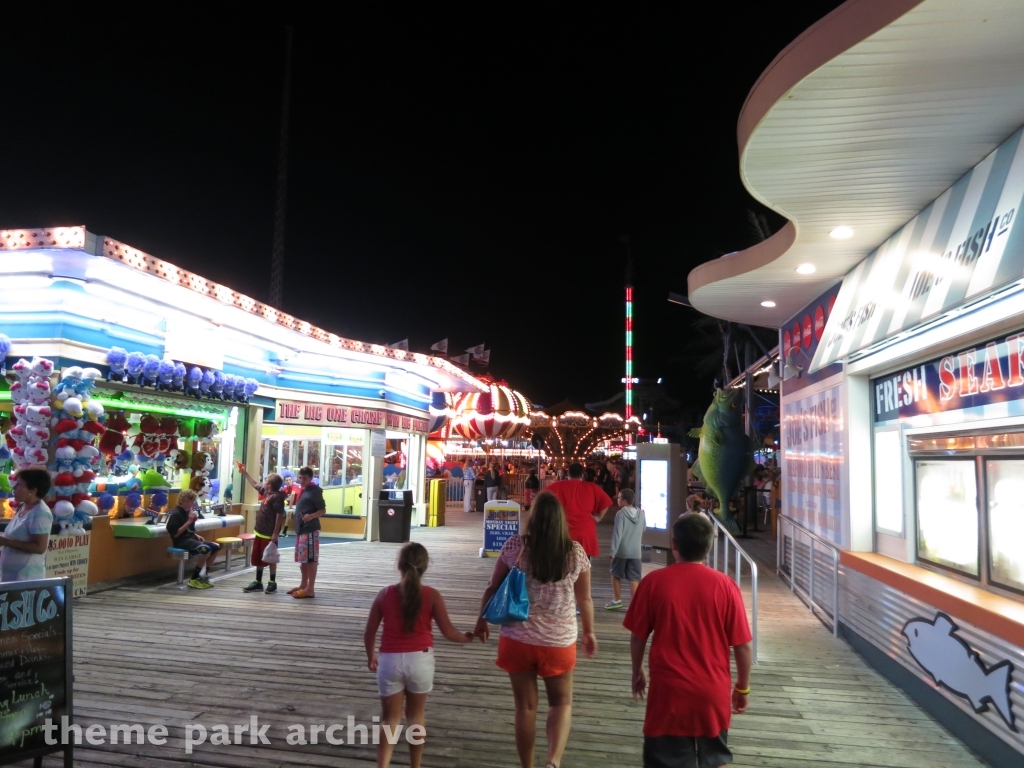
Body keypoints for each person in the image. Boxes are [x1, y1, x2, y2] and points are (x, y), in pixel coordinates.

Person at [474, 491, 596, 768]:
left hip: (517, 639)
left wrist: (481, 620)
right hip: (559, 642)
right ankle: (553, 761)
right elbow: (585, 599)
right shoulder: (575, 552)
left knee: (525, 708)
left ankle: (527, 765)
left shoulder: (516, 546)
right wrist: (589, 631)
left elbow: (493, 587)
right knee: (561, 703)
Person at [624, 512, 752, 768]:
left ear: (674, 544)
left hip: (668, 693)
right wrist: (742, 687)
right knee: (716, 759)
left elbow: (638, 637)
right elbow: (743, 645)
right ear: (708, 546)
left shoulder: (653, 583)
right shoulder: (726, 586)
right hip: (712, 691)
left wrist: (637, 671)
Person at [364, 543, 476, 768]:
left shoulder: (384, 594)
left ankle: (382, 765)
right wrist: (467, 638)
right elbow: (448, 632)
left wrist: (371, 656)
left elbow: (369, 632)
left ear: (399, 565)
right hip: (420, 661)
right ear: (425, 567)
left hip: (389, 661)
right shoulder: (432, 595)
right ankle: (416, 765)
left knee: (390, 720)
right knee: (416, 716)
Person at [544, 462, 616, 558]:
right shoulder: (592, 487)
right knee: (584, 565)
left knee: (562, 564)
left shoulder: (555, 487)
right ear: (582, 474)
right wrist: (598, 518)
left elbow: (540, 501)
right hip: (585, 533)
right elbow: (606, 502)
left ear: (568, 473)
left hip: (562, 531)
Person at [237, 464, 286, 593]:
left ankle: (272, 582)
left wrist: (275, 533)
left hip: (269, 534)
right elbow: (254, 484)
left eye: (266, 481)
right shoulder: (266, 492)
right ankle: (258, 582)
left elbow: (279, 515)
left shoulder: (276, 497)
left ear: (269, 484)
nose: (263, 483)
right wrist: (245, 472)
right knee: (259, 556)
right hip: (259, 531)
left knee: (271, 557)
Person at [0, 469, 53, 583]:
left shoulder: (40, 513)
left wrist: (5, 541)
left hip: (26, 577)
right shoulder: (23, 507)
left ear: (32, 490)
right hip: (12, 575)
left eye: (19, 485)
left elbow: (39, 547)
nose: (14, 488)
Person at [166, 488, 221, 589]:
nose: (190, 503)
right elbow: (175, 534)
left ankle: (203, 575)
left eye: (191, 501)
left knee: (216, 547)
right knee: (206, 549)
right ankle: (194, 578)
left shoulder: (189, 512)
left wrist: (196, 535)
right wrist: (189, 522)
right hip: (181, 541)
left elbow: (189, 530)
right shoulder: (176, 514)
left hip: (190, 539)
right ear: (181, 501)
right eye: (187, 501)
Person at [606, 488, 645, 611]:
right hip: (636, 551)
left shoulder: (621, 514)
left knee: (615, 574)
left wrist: (613, 551)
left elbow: (618, 533)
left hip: (622, 551)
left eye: (619, 498)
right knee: (633, 578)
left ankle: (616, 600)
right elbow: (643, 528)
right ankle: (634, 605)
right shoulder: (641, 514)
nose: (617, 499)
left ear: (624, 500)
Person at [290, 466, 325, 598]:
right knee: (303, 560)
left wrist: (311, 516)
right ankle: (303, 584)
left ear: (310, 478)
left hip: (310, 530)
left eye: (305, 478)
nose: (302, 480)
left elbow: (322, 510)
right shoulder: (302, 490)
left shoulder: (315, 491)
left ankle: (310, 588)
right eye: (300, 477)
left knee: (311, 560)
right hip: (301, 530)